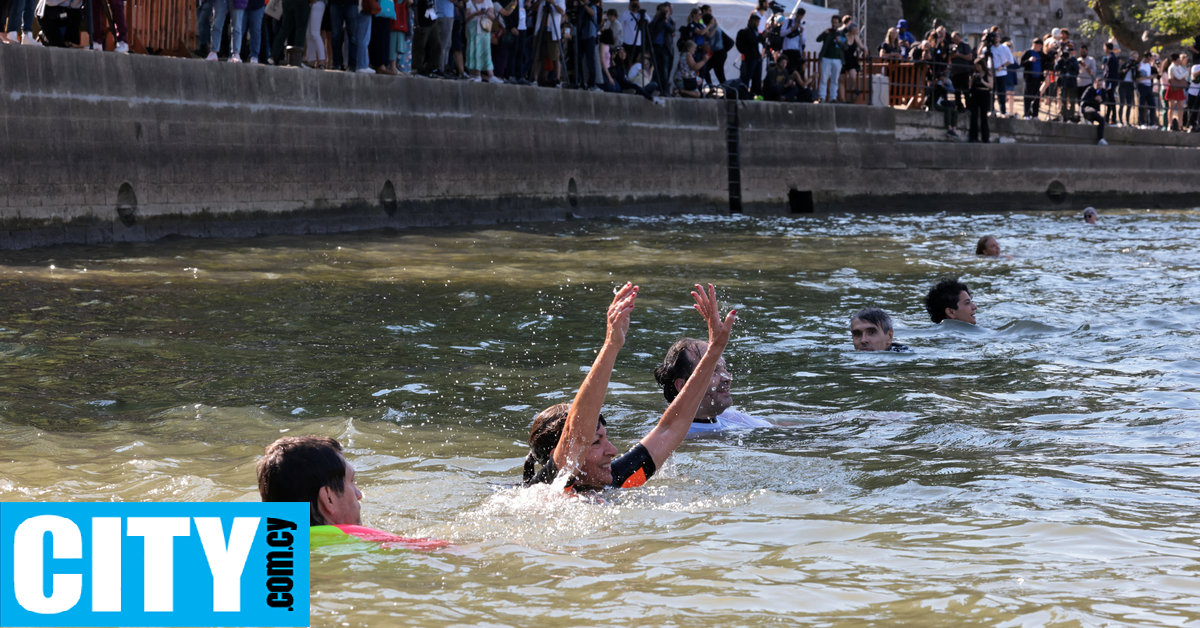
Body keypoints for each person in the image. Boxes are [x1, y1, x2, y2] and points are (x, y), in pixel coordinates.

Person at [524, 283, 737, 490]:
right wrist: (611, 345)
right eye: (596, 442)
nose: (613, 451)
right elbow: (577, 433)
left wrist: (714, 351)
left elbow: (671, 428)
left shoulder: (617, 479)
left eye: (605, 439)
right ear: (558, 455)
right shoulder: (547, 487)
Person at [257, 435, 448, 550]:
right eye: (351, 482)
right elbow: (450, 551)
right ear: (328, 499)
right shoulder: (355, 539)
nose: (359, 494)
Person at [815, 14, 846, 103]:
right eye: (833, 22)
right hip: (826, 58)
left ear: (839, 24)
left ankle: (833, 97)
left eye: (836, 23)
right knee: (824, 78)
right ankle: (822, 96)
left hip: (837, 59)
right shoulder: (828, 32)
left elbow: (846, 47)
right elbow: (818, 39)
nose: (834, 24)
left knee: (834, 79)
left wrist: (840, 42)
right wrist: (825, 33)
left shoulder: (841, 34)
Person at [735, 13, 764, 96]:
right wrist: (761, 37)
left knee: (757, 76)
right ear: (752, 21)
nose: (758, 24)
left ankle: (754, 93)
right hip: (750, 57)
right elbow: (752, 42)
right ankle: (744, 93)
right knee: (747, 76)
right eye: (757, 22)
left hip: (756, 56)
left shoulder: (755, 31)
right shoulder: (747, 31)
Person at [967, 56, 992, 143]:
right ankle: (973, 137)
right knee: (974, 115)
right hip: (975, 94)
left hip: (984, 94)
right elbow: (970, 85)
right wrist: (972, 79)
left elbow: (991, 86)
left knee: (983, 116)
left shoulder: (988, 73)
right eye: (976, 66)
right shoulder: (974, 73)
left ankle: (985, 137)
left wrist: (982, 81)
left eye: (978, 66)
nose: (977, 68)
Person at [1019, 38, 1045, 119]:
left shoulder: (1041, 54)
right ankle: (1026, 114)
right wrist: (1029, 60)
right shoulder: (1028, 52)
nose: (1040, 47)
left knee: (1037, 98)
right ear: (1035, 44)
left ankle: (1035, 115)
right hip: (1029, 78)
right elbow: (1022, 63)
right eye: (1039, 46)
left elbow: (1046, 61)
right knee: (1027, 97)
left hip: (1038, 79)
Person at [1080, 75, 1109, 145]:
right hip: (1087, 109)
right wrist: (1094, 99)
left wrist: (1101, 100)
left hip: (1095, 112)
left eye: (1100, 84)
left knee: (1102, 120)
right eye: (1098, 84)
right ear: (1094, 84)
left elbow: (1105, 100)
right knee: (1092, 111)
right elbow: (1083, 99)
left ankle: (1100, 139)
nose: (1099, 86)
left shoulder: (1102, 91)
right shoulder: (1090, 89)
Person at [1166, 53, 1189, 130]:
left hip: (1179, 87)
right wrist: (1186, 72)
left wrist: (1184, 74)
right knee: (1171, 107)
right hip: (1173, 87)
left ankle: (1180, 125)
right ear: (1174, 61)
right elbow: (1179, 76)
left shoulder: (1178, 66)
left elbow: (1182, 75)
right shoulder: (1172, 68)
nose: (1180, 61)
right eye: (1178, 60)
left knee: (1181, 106)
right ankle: (1170, 125)